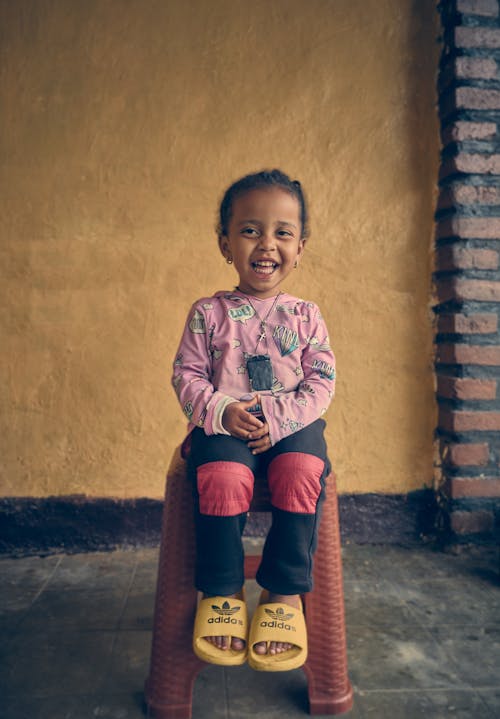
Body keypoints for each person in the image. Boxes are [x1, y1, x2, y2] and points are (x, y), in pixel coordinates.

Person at [171, 169, 336, 671]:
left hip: (290, 428)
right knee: (221, 475)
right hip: (224, 429)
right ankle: (221, 590)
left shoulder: (306, 315)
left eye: (282, 232)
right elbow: (187, 375)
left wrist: (276, 416)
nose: (267, 244)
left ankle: (283, 592)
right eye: (250, 230)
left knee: (304, 469)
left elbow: (321, 382)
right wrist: (223, 410)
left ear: (300, 247)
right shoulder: (208, 312)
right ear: (226, 243)